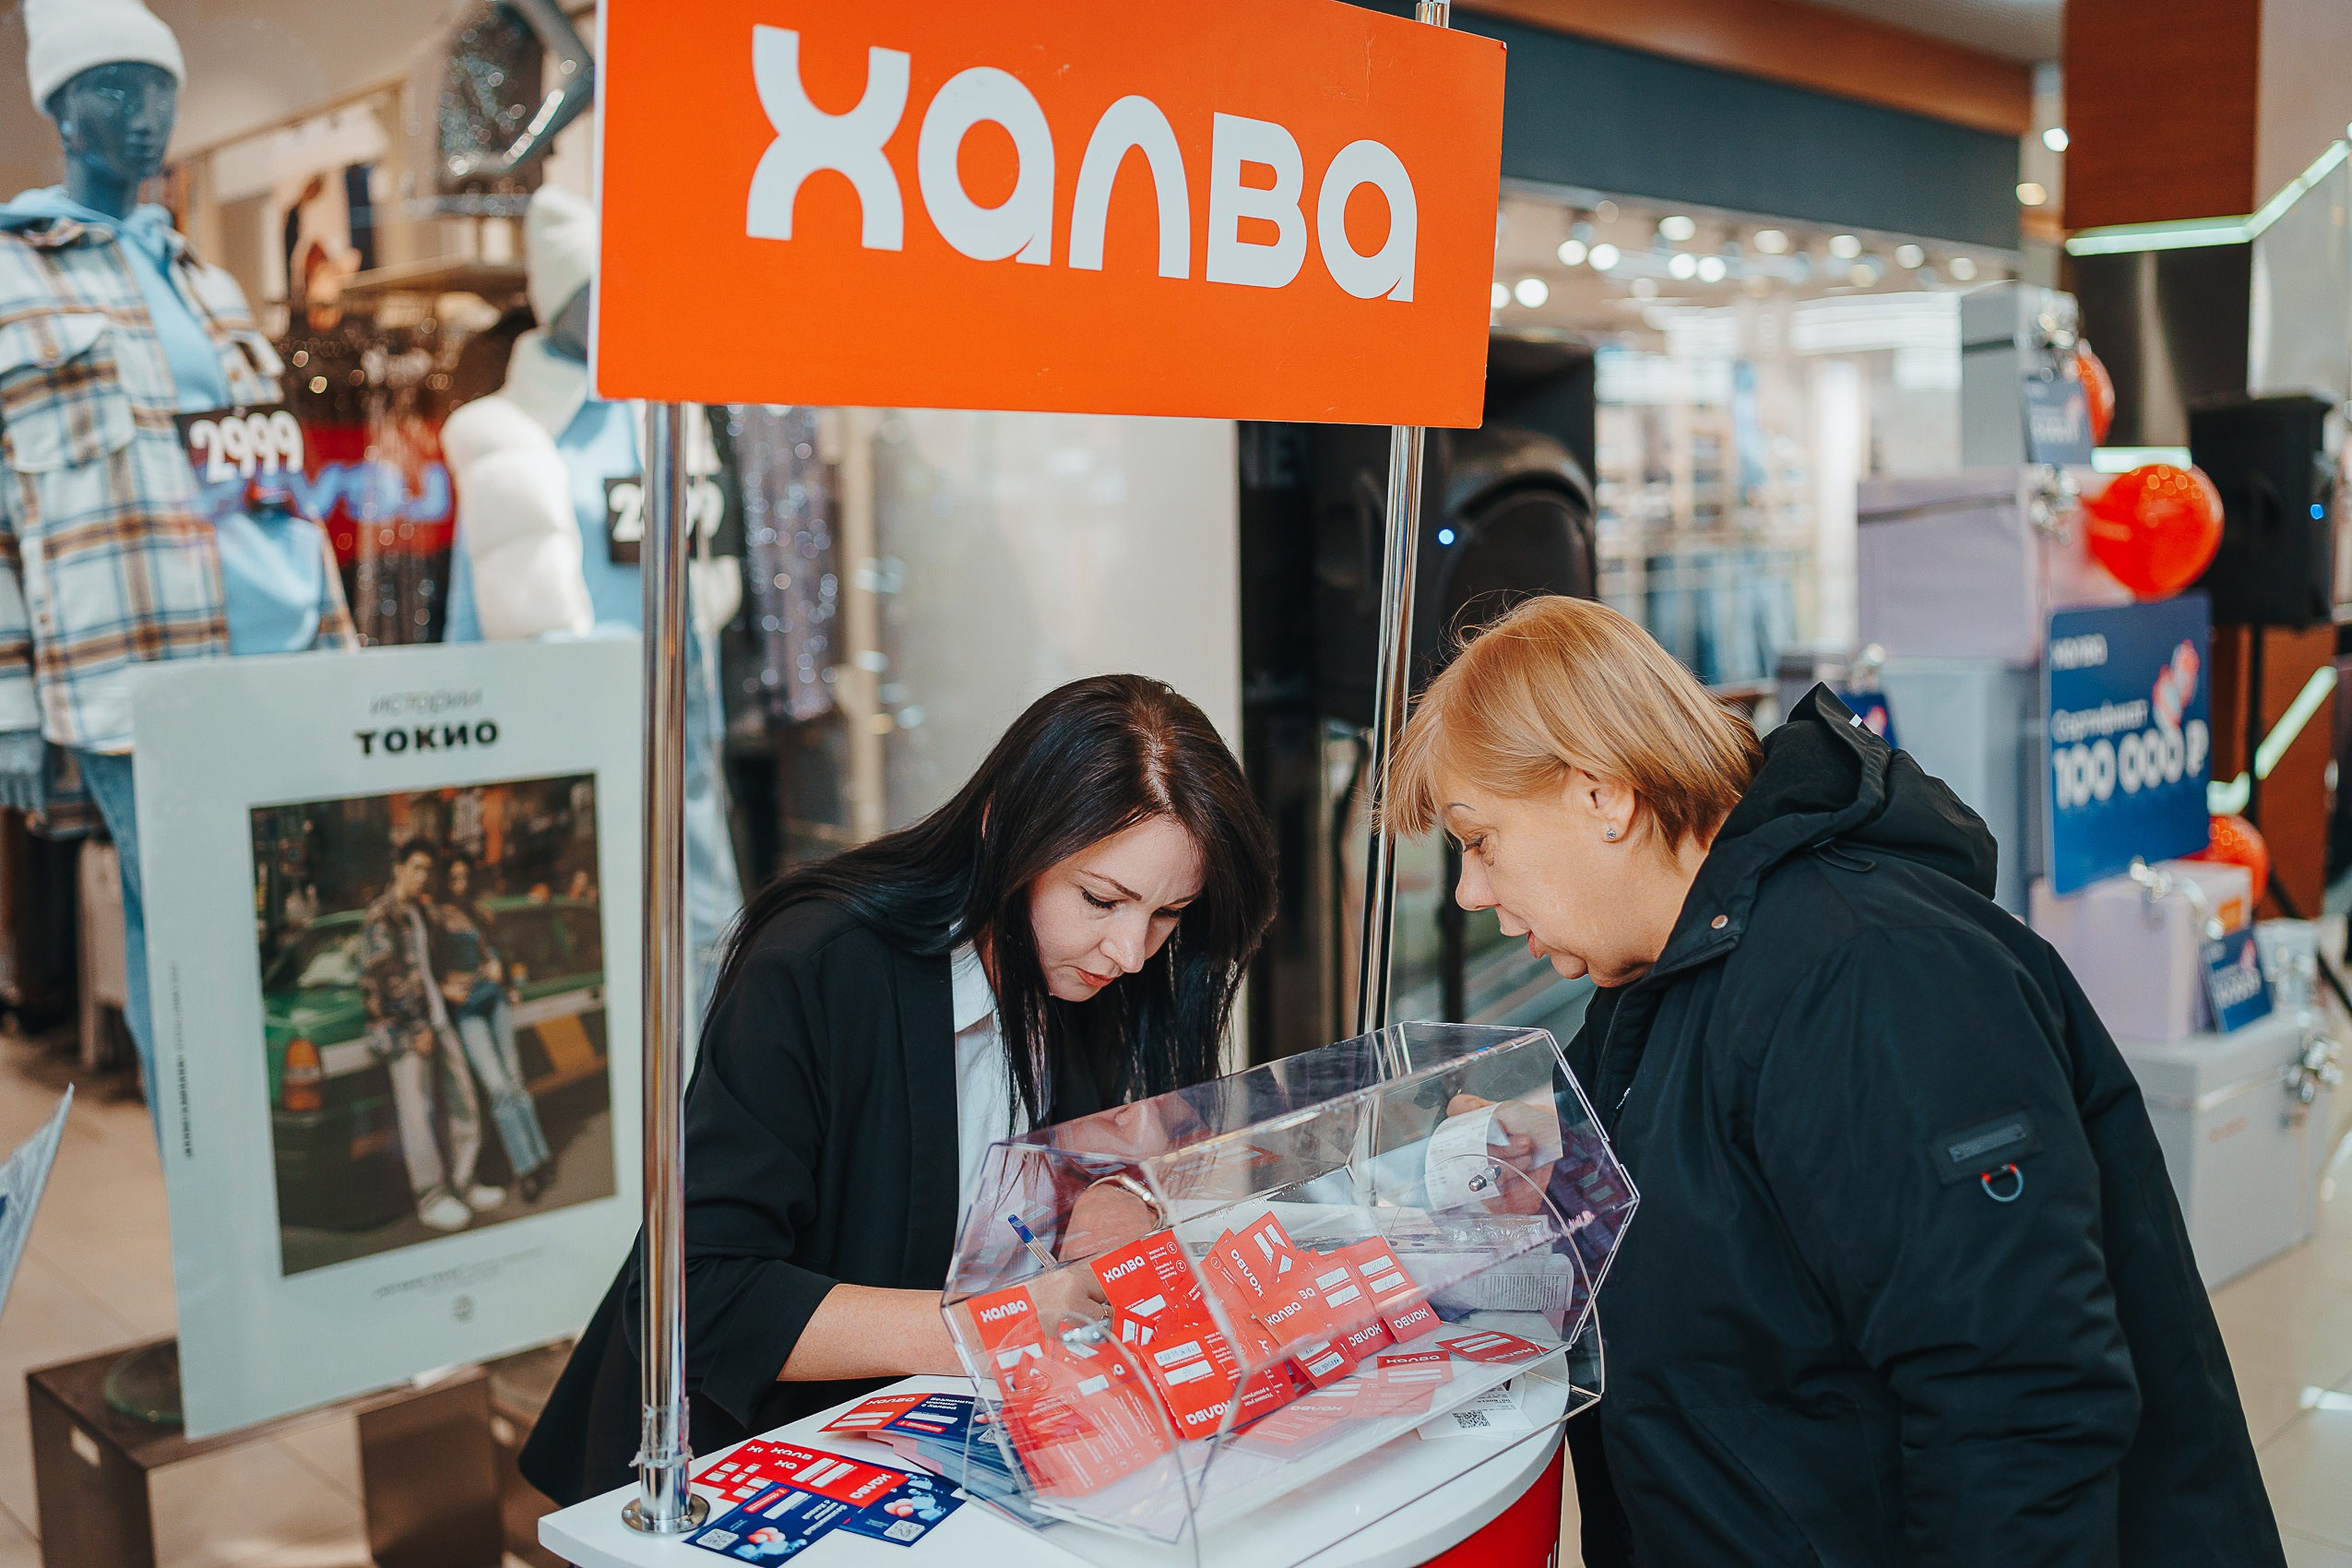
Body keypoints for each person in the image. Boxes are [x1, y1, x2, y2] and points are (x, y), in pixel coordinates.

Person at [1384, 595, 2287, 1568]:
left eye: (1481, 840)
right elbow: (1726, 1202)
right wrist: (1545, 1160)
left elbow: (2017, 1401)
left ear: (1603, 794)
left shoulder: (1877, 974)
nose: (1472, 890)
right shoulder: (1658, 974)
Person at [520, 673, 1277, 1504]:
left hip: (920, 1438)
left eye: (1169, 914)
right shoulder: (820, 966)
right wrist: (1000, 1325)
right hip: (728, 1462)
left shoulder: (1095, 976)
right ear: (1003, 829)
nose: (1130, 951)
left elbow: (1044, 1166)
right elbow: (694, 1296)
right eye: (1102, 899)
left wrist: (1102, 1197)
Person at [358, 839, 503, 1234]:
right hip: (406, 1029)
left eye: (428, 869)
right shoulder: (381, 915)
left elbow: (432, 963)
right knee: (417, 1112)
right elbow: (385, 975)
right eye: (416, 868)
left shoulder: (421, 912)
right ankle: (431, 1197)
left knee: (463, 1100)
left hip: (437, 1020)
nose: (423, 876)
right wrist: (417, 1024)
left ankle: (464, 1181)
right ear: (399, 868)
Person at [434, 852, 556, 1203]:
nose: (461, 884)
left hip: (494, 999)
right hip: (467, 1010)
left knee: (516, 1083)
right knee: (499, 1089)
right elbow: (428, 965)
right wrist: (444, 987)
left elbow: (497, 949)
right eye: (454, 878)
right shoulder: (435, 918)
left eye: (465, 876)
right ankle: (525, 1169)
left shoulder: (477, 911)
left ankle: (541, 1158)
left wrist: (501, 972)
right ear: (444, 881)